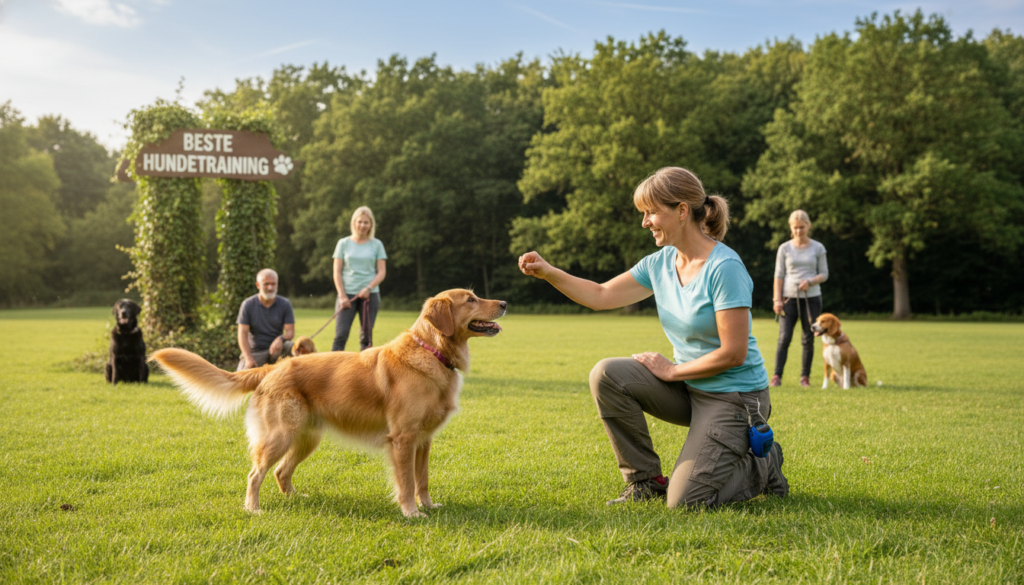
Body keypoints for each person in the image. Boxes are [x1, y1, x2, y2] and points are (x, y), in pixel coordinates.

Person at [518, 167, 787, 509]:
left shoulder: (724, 268)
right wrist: (548, 272)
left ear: (682, 211)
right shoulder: (659, 264)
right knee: (608, 374)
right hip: (691, 388)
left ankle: (763, 465)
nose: (645, 222)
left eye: (651, 212)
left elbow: (734, 353)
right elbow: (601, 295)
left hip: (733, 398)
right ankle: (644, 482)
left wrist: (672, 371)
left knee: (687, 502)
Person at [771, 210, 829, 388]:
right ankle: (776, 376)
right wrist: (776, 299)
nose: (798, 231)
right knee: (784, 338)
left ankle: (805, 377)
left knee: (808, 338)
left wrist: (810, 281)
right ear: (791, 228)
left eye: (801, 227)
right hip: (789, 298)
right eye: (795, 228)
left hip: (811, 298)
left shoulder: (818, 248)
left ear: (808, 226)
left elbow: (824, 274)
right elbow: (779, 275)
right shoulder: (784, 248)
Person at [332, 206, 387, 352]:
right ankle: (330, 372)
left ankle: (366, 373)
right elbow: (336, 271)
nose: (362, 225)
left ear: (371, 225)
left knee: (366, 338)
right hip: (347, 295)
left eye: (366, 222)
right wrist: (342, 296)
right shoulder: (343, 243)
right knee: (340, 336)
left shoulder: (377, 244)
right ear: (354, 222)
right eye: (360, 222)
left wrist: (368, 288)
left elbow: (381, 272)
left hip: (370, 295)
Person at [237, 268, 295, 371]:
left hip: (277, 349)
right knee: (241, 379)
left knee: (293, 346)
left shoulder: (285, 304)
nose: (270, 287)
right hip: (256, 351)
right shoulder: (248, 304)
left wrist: (281, 338)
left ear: (277, 284)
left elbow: (290, 331)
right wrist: (249, 358)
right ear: (258, 285)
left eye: (273, 284)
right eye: (266, 284)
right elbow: (242, 334)